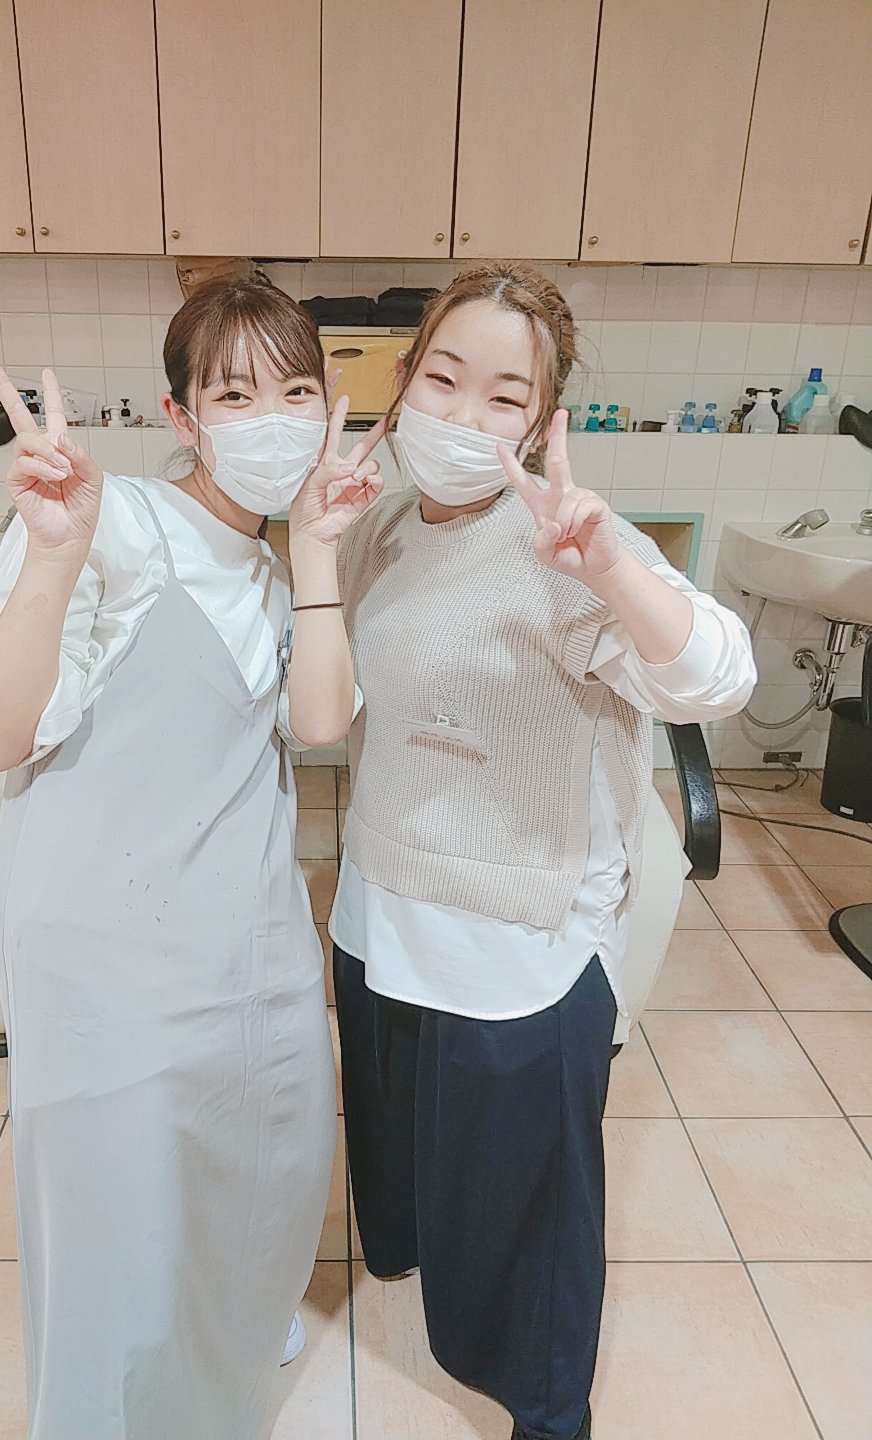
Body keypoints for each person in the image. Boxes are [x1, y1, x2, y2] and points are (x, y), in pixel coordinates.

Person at [328, 263, 756, 1440]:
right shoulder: (381, 528)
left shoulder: (565, 544)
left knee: (527, 1215)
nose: (463, 414)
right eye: (443, 378)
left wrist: (609, 564)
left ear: (542, 420)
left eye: (504, 396)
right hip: (381, 910)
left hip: (514, 939)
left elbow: (716, 676)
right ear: (405, 380)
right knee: (421, 1170)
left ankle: (547, 1411)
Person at [0, 277, 383, 1440]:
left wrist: (318, 552)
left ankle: (225, 1356)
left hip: (248, 938)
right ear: (181, 416)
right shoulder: (117, 524)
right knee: (121, 1233)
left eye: (297, 392)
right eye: (234, 395)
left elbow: (320, 724)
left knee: (268, 1174)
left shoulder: (274, 563)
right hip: (111, 954)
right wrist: (53, 555)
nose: (273, 420)